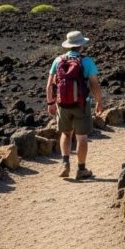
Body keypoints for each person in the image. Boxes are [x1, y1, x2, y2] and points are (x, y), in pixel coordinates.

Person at [46, 30, 103, 180]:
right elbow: (94, 85)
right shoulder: (87, 61)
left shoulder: (58, 60)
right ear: (81, 45)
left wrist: (50, 102)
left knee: (65, 133)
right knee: (82, 137)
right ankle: (81, 169)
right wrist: (99, 102)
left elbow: (50, 85)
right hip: (81, 104)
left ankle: (65, 163)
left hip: (62, 104)